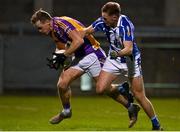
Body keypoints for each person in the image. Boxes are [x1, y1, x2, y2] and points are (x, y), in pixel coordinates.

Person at [30, 9, 140, 128]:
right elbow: (61, 48)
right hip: (79, 56)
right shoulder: (53, 31)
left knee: (103, 89)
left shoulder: (62, 23)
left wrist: (65, 55)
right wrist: (59, 58)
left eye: (40, 27)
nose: (39, 31)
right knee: (62, 84)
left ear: (47, 22)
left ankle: (130, 106)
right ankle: (67, 111)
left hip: (93, 53)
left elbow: (79, 40)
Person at [83, 2, 163, 130]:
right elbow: (85, 31)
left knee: (139, 95)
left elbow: (129, 49)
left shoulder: (125, 25)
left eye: (105, 18)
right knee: (100, 88)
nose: (102, 20)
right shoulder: (102, 22)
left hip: (130, 60)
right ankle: (121, 88)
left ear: (114, 17)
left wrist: (117, 53)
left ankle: (156, 125)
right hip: (114, 59)